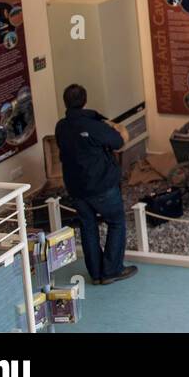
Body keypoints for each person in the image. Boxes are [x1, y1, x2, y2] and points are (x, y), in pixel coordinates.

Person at [54, 84, 136, 285]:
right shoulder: (92, 125)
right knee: (116, 222)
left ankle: (96, 274)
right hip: (100, 185)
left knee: (88, 227)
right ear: (85, 100)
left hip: (76, 187)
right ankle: (112, 270)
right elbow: (117, 141)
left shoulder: (61, 127)